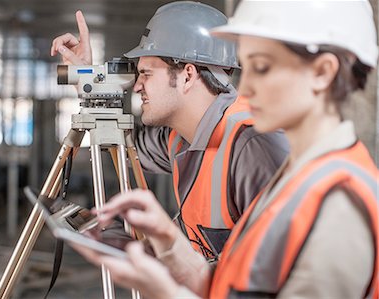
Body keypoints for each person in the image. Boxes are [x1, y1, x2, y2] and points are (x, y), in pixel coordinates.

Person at [71, 1, 379, 298]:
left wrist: (167, 292)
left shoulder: (337, 205)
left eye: (262, 67)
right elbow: (240, 285)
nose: (243, 90)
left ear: (322, 72)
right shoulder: (299, 176)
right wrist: (169, 244)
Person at [51, 1, 288, 259]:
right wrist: (90, 83)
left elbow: (281, 274)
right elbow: (120, 141)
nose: (137, 86)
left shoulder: (253, 145)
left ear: (187, 75)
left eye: (146, 74)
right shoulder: (179, 136)